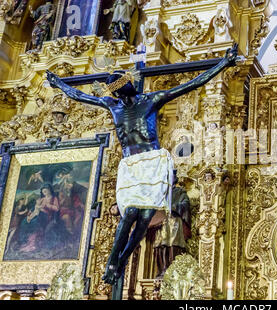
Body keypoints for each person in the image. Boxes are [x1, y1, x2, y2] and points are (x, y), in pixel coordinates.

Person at [46, 44, 238, 285]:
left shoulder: (150, 100)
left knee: (145, 216)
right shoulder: (112, 105)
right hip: (131, 164)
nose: (120, 86)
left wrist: (222, 64)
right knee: (130, 214)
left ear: (129, 84)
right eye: (116, 85)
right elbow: (80, 96)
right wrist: (59, 85)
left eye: (121, 82)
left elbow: (191, 85)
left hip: (152, 160)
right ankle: (113, 261)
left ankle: (122, 258)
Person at [149, 170, 191, 278]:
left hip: (174, 221)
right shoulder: (160, 194)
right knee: (160, 245)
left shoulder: (179, 191)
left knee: (173, 244)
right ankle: (162, 269)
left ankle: (173, 270)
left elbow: (185, 204)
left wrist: (174, 207)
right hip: (161, 222)